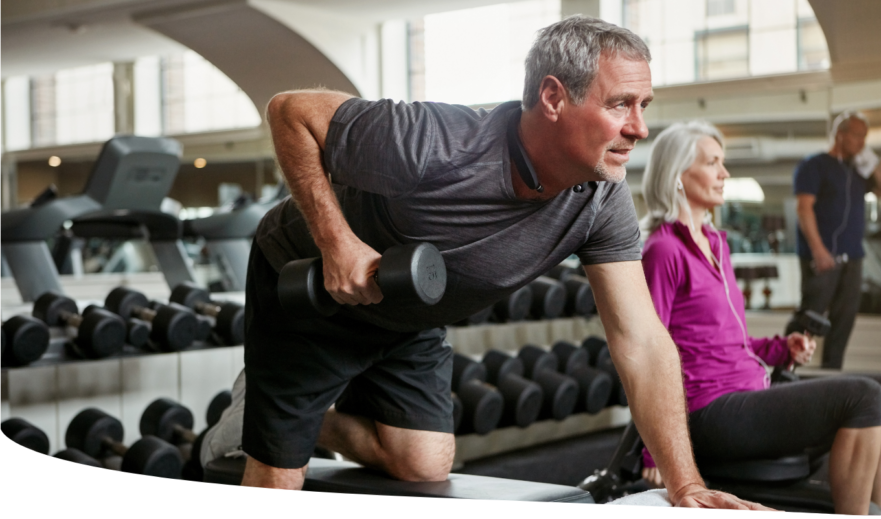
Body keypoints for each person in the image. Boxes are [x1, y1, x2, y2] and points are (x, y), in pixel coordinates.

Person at [237, 15, 764, 509]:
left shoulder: (600, 199)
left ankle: (284, 415)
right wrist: (336, 243)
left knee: (422, 464)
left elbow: (642, 341)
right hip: (309, 292)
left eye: (644, 105)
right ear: (554, 97)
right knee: (281, 481)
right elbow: (290, 110)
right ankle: (273, 422)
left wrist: (686, 484)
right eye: (621, 104)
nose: (639, 128)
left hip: (407, 310)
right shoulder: (435, 141)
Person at [639, 120, 881, 515]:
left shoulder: (716, 244)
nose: (725, 173)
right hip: (709, 409)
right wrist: (656, 455)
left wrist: (780, 349)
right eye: (713, 163)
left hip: (749, 393)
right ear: (678, 176)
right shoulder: (664, 251)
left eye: (724, 162)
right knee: (863, 395)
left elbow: (726, 341)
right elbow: (647, 354)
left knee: (870, 397)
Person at [791, 111, 881, 369]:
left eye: (865, 136)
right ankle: (783, 371)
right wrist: (818, 250)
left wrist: (873, 164)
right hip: (822, 256)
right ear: (840, 135)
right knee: (809, 317)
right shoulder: (814, 165)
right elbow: (804, 209)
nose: (862, 142)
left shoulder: (858, 172)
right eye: (857, 135)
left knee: (844, 321)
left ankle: (831, 375)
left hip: (853, 258)